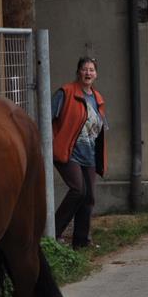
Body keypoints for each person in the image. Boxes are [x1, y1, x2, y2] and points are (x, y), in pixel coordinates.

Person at [52, 56, 107, 248]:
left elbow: (100, 129)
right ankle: (53, 233)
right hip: (68, 151)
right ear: (78, 72)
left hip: (88, 154)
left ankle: (81, 241)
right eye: (85, 69)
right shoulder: (66, 93)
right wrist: (53, 142)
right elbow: (49, 118)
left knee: (89, 195)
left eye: (91, 70)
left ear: (96, 74)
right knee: (78, 190)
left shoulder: (97, 98)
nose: (88, 73)